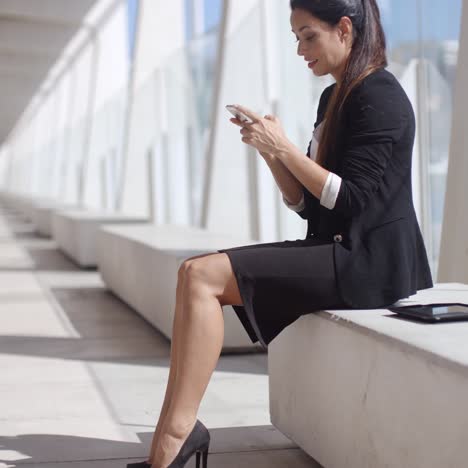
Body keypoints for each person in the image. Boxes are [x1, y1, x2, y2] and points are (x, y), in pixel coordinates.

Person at [127, 0, 433, 466]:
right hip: (332, 249)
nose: (300, 50)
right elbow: (308, 204)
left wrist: (286, 148)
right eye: (295, 38)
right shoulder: (335, 97)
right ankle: (174, 434)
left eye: (308, 36)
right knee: (194, 272)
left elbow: (352, 200)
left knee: (200, 276)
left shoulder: (381, 95)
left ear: (344, 29)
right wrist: (271, 153)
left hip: (366, 263)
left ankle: (174, 438)